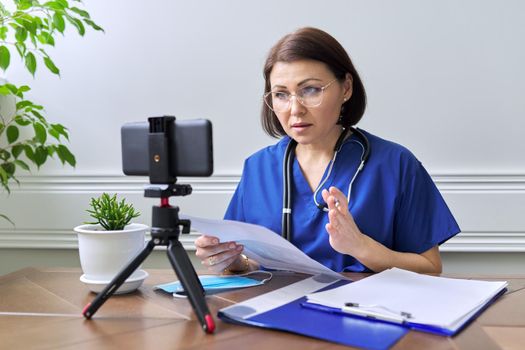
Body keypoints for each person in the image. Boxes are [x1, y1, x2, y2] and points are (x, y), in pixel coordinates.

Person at [195, 27, 460, 275]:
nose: (294, 109)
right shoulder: (258, 169)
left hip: (365, 316)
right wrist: (233, 260)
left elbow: (430, 266)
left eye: (310, 90)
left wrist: (361, 247)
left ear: (346, 88)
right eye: (281, 94)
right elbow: (250, 260)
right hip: (276, 318)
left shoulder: (395, 164)